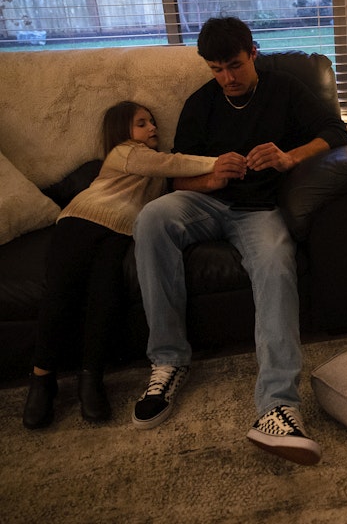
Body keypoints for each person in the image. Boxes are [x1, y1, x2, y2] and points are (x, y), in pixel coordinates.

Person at [130, 16, 347, 466]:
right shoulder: (200, 104)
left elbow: (336, 133)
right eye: (216, 69)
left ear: (253, 53)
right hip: (206, 204)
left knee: (275, 259)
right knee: (152, 218)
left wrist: (289, 157)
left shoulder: (285, 89)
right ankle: (169, 362)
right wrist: (211, 179)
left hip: (260, 211)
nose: (227, 78)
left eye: (234, 65)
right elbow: (177, 182)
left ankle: (277, 407)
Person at [22, 101, 217, 429]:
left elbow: (171, 182)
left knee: (106, 296)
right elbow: (174, 163)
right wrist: (220, 162)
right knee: (61, 293)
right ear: (123, 131)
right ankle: (42, 379)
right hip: (81, 220)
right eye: (142, 123)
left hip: (120, 233)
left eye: (153, 121)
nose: (152, 127)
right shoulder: (125, 152)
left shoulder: (155, 171)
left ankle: (91, 377)